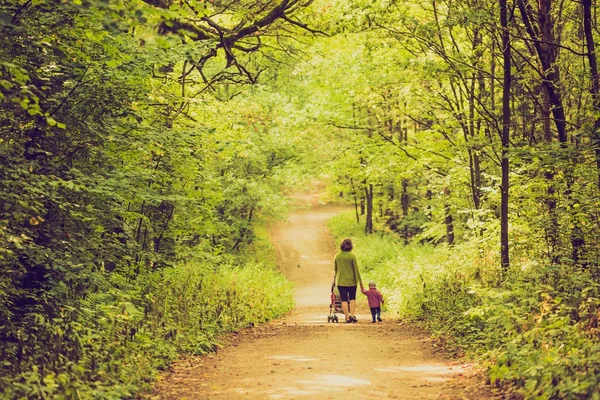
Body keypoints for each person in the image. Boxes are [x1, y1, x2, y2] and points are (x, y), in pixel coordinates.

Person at [332, 238, 363, 323]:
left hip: (341, 281)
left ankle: (346, 317)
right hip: (352, 281)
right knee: (352, 298)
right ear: (350, 246)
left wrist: (335, 279)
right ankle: (352, 315)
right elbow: (355, 269)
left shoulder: (337, 256)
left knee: (344, 300)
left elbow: (335, 269)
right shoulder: (352, 256)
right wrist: (360, 281)